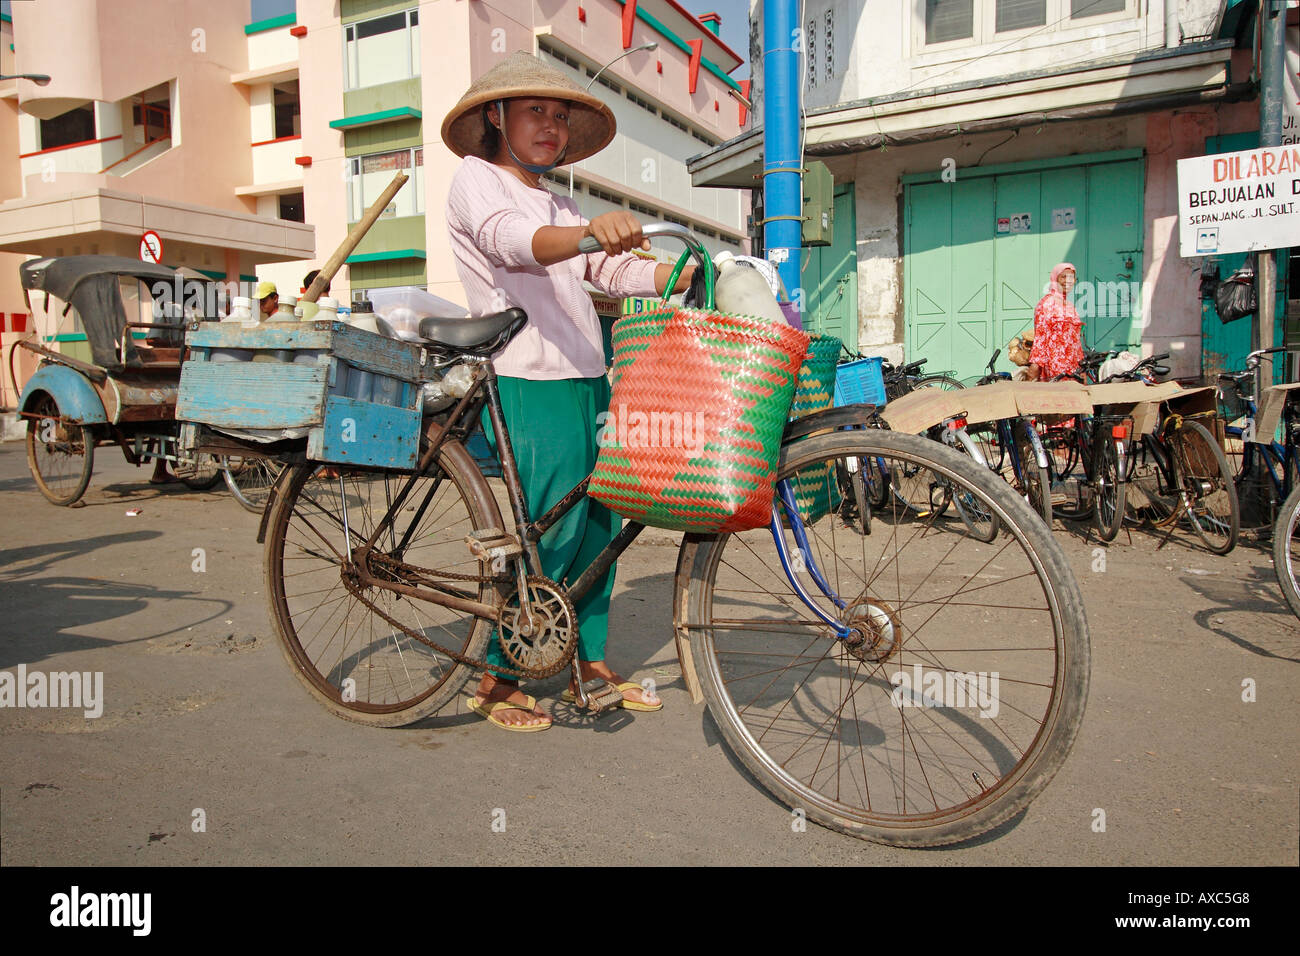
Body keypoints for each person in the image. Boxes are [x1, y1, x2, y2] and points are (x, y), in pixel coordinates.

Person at [441, 51, 695, 731]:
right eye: (536, 113)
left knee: (599, 523)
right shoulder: (476, 180)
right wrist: (585, 232)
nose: (551, 127)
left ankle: (586, 657)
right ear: (496, 116)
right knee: (544, 535)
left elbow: (606, 272)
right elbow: (513, 243)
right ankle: (497, 675)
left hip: (588, 375)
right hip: (526, 374)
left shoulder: (556, 197)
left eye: (560, 116)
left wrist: (674, 274)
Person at [1027, 262, 1083, 382]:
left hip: (1074, 366)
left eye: (1071, 277)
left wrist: (1081, 366)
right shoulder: (1046, 304)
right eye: (1063, 277)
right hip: (1055, 366)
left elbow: (1076, 341)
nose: (1067, 281)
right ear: (1055, 279)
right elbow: (1040, 339)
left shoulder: (1070, 306)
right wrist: (1035, 366)